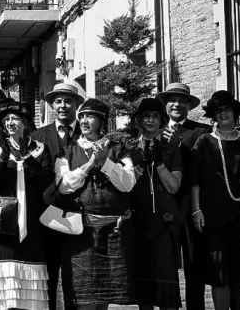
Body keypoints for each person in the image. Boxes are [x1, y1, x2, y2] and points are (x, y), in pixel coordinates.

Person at [55, 97, 140, 310]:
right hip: (80, 233)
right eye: (82, 116)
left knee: (103, 299)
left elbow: (128, 184)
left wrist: (106, 163)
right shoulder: (68, 150)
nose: (84, 121)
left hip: (113, 233)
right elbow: (64, 186)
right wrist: (89, 165)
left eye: (90, 116)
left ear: (102, 121)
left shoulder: (118, 149)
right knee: (82, 299)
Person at [0, 99, 52, 310]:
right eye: (7, 119)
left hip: (33, 225)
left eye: (15, 118)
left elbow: (46, 181)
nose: (10, 123)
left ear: (25, 122)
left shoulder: (40, 149)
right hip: (1, 227)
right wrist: (3, 157)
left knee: (30, 294)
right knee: (2, 295)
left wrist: (26, 157)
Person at [189, 91, 240, 310]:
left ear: (235, 112)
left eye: (227, 109)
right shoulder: (204, 142)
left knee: (238, 274)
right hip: (213, 216)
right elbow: (195, 179)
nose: (224, 114)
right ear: (214, 116)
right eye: (219, 111)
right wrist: (196, 209)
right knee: (220, 274)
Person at [31, 81, 86, 310]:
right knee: (49, 278)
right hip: (48, 217)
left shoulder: (88, 133)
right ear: (52, 106)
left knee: (78, 280)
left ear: (77, 105)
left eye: (68, 101)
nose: (63, 106)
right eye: (58, 101)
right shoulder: (38, 136)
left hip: (81, 216)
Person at [158, 83, 209, 310]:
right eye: (172, 100)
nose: (177, 104)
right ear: (166, 105)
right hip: (164, 208)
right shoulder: (155, 131)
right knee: (165, 265)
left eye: (182, 101)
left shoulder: (202, 132)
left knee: (194, 265)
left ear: (189, 105)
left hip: (191, 207)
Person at [131, 97, 184, 310]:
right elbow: (125, 185)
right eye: (146, 116)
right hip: (138, 224)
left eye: (155, 116)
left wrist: (159, 163)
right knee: (144, 292)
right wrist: (140, 163)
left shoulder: (171, 148)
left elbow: (174, 187)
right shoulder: (129, 148)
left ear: (162, 120)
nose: (151, 120)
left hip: (164, 225)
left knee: (166, 289)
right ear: (139, 120)